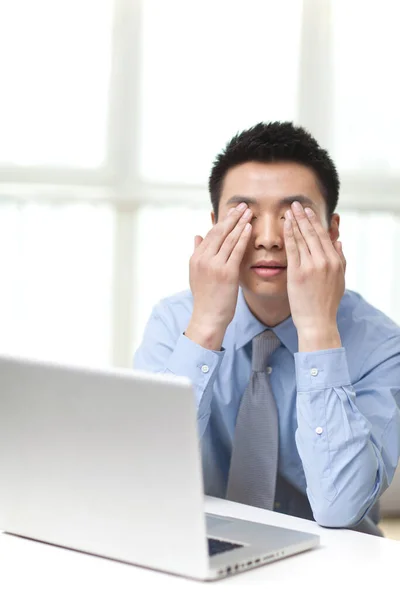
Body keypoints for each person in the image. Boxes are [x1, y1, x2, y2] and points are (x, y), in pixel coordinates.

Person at [134, 121, 400, 533]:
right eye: (245, 216)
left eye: (295, 215)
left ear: (331, 232)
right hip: (200, 555)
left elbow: (341, 508)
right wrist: (205, 328)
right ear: (213, 226)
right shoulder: (172, 322)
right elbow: (144, 481)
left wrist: (316, 329)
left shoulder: (383, 345)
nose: (270, 238)